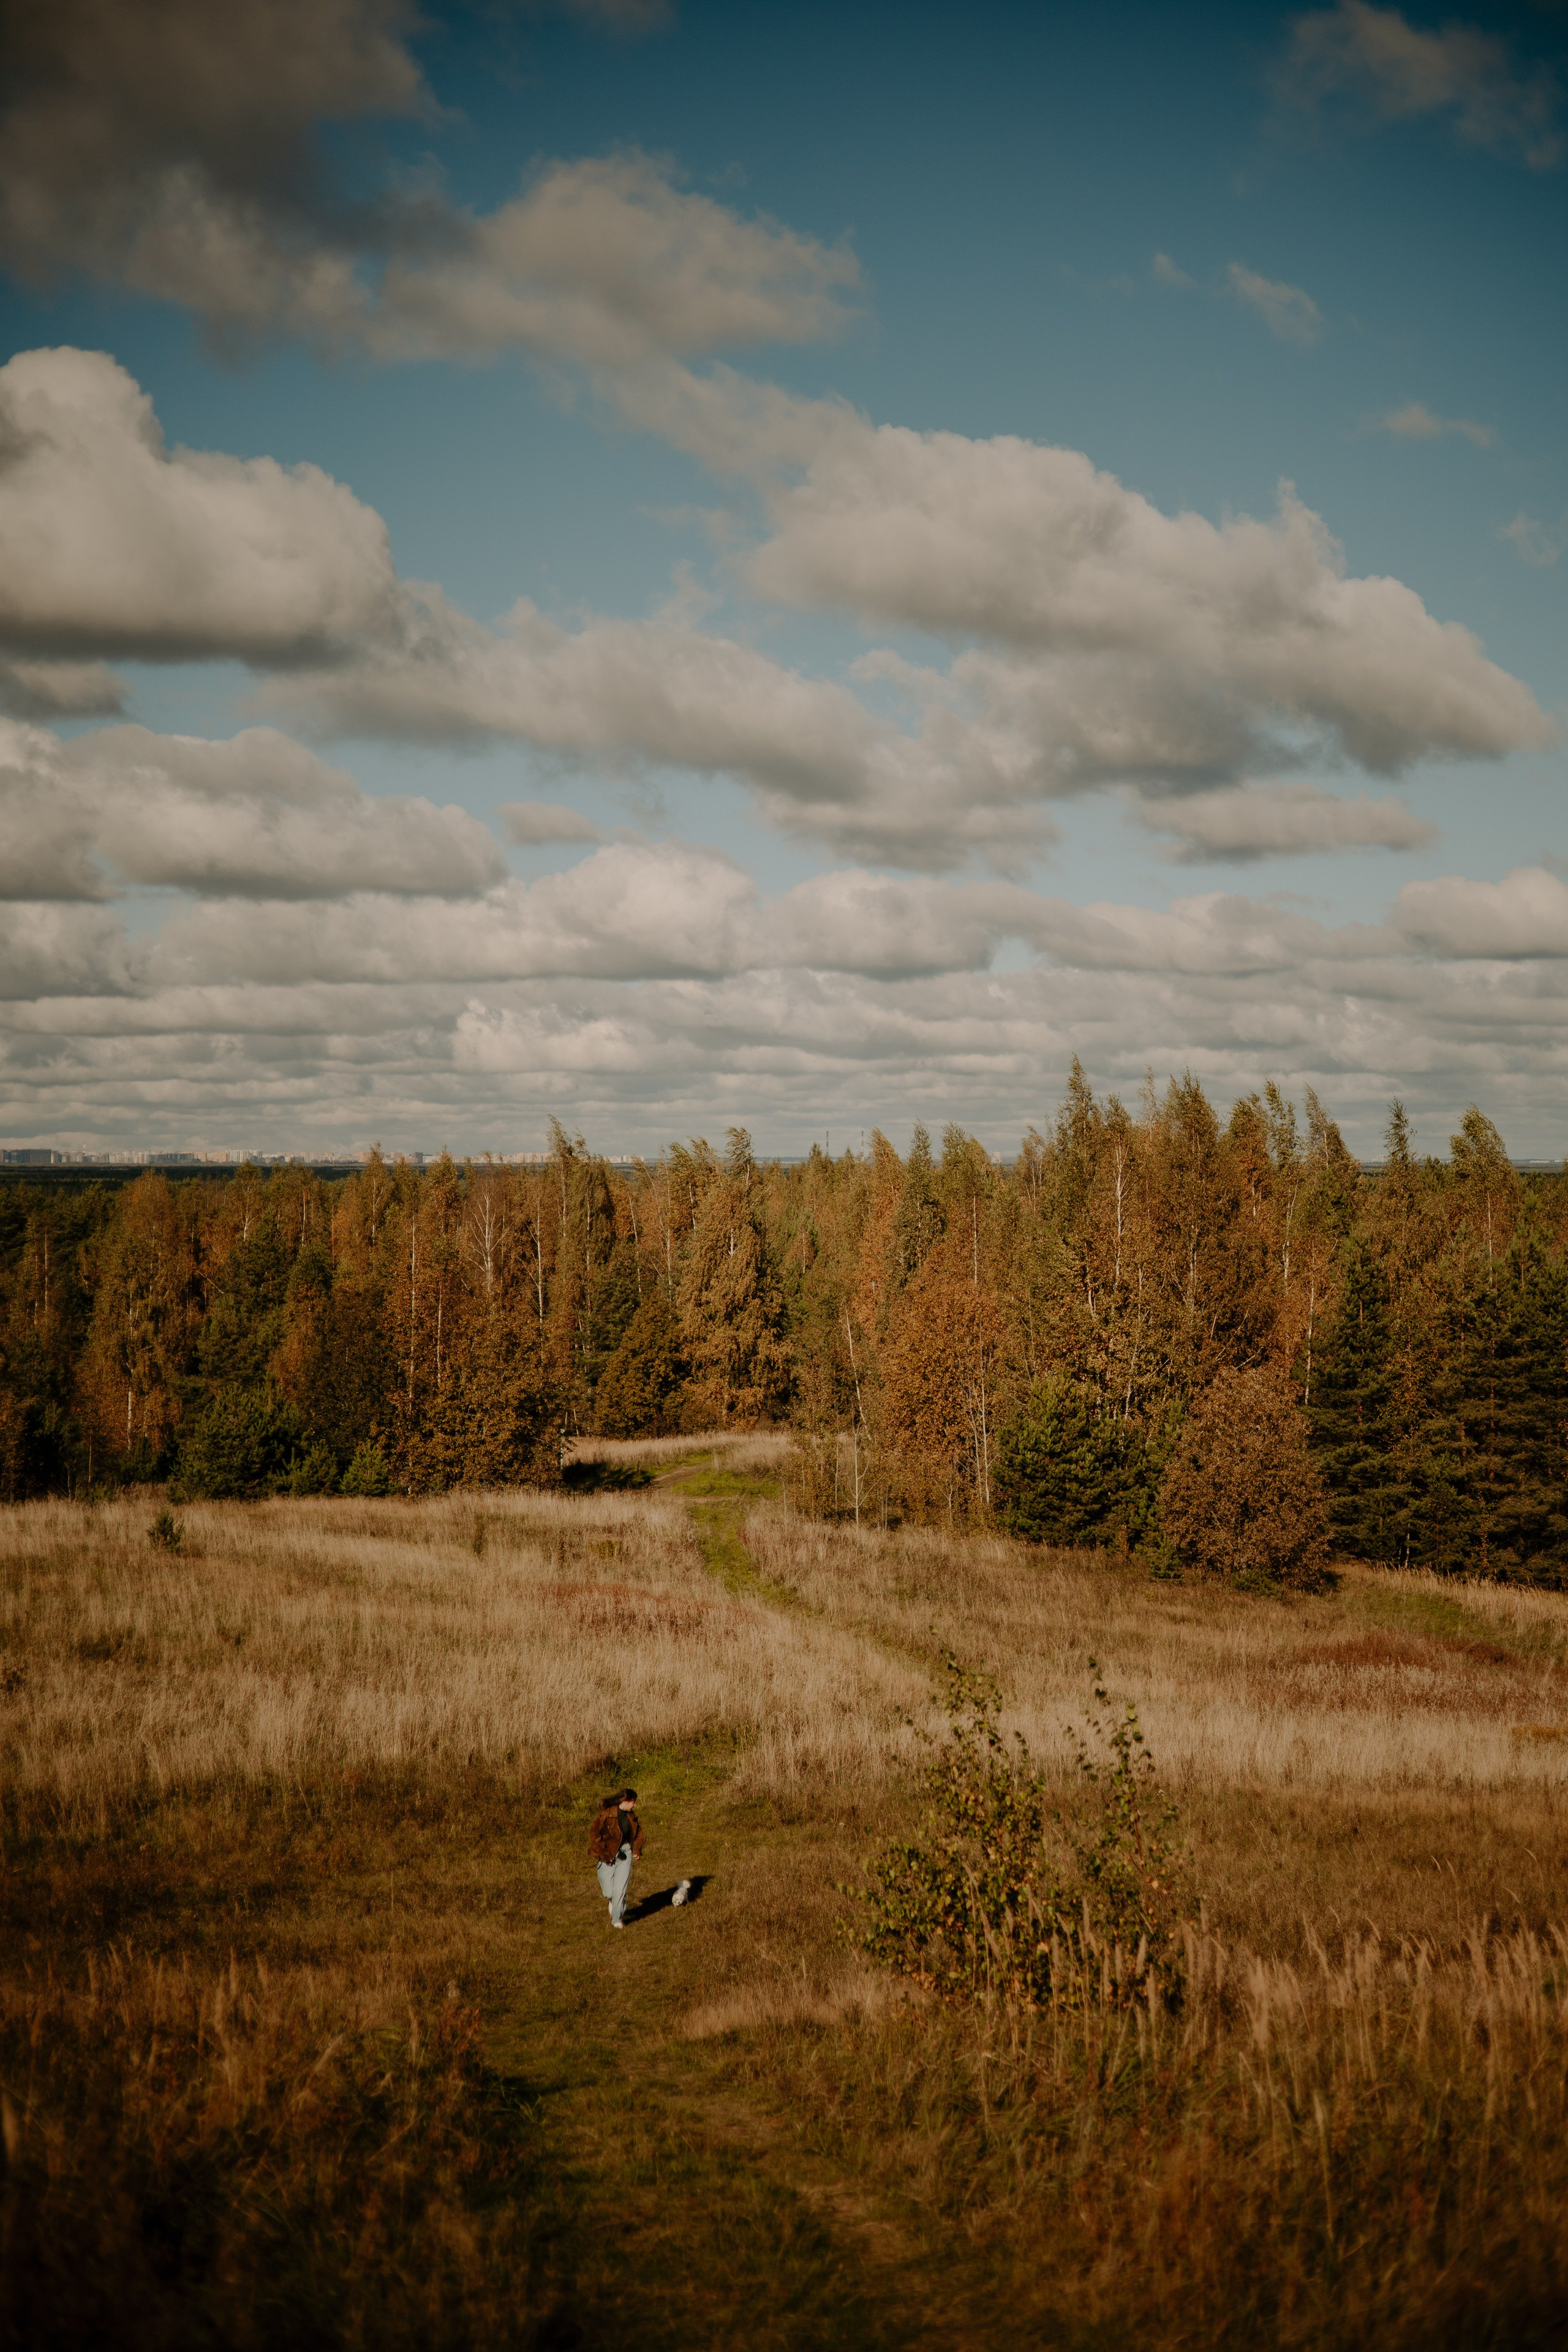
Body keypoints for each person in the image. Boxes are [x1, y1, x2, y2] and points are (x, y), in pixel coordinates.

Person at [589, 1786, 642, 1928]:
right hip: (607, 1853)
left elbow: (638, 1835)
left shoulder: (632, 1817)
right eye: (634, 1802)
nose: (635, 1805)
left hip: (625, 1852)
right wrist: (605, 1854)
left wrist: (636, 1851)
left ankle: (617, 1920)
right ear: (626, 1801)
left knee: (620, 1888)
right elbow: (595, 1834)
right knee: (609, 1891)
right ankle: (614, 1901)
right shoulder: (607, 1814)